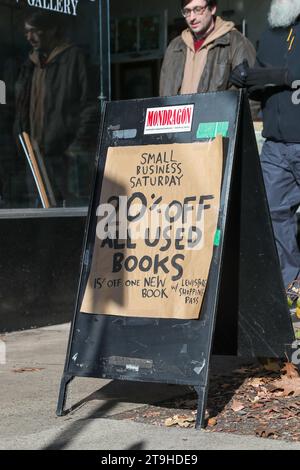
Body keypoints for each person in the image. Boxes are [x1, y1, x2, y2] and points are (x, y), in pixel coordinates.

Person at [230, 0, 300, 301]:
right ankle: (291, 285)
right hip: (276, 145)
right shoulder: (271, 34)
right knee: (271, 212)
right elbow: (261, 82)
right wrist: (244, 79)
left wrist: (277, 76)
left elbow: (292, 75)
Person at [14, 10, 99, 206]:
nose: (30, 37)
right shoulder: (30, 64)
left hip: (65, 156)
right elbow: (20, 109)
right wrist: (21, 142)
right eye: (27, 32)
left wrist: (77, 144)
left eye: (35, 31)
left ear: (51, 30)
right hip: (34, 156)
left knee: (69, 214)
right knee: (37, 217)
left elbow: (91, 105)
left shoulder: (74, 58)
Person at [159, 0, 256, 97]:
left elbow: (250, 96)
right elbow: (164, 95)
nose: (192, 18)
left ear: (212, 9)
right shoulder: (174, 47)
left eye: (198, 9)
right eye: (187, 11)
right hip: (180, 112)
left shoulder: (236, 42)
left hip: (218, 112)